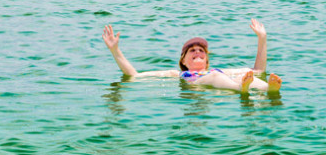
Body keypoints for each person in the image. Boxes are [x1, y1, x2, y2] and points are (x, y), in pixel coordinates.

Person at [102, 19, 281, 95]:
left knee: (249, 77)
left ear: (207, 60)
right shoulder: (177, 74)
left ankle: (269, 90)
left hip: (225, 89)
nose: (197, 52)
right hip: (203, 88)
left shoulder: (216, 70)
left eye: (201, 51)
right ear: (184, 61)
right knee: (219, 76)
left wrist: (262, 38)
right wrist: (115, 50)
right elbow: (134, 75)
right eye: (192, 51)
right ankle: (241, 88)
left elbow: (258, 71)